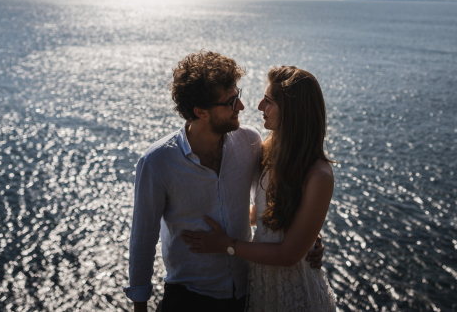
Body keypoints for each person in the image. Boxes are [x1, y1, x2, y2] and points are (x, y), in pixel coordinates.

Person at [124, 52, 323, 312]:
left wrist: (308, 234)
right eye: (231, 102)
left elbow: (272, 200)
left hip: (248, 294)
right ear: (200, 111)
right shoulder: (157, 162)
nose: (241, 107)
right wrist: (140, 307)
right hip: (188, 298)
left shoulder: (249, 143)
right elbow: (142, 241)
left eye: (237, 96)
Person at [182, 66, 337, 311]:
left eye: (269, 101)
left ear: (293, 111)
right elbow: (265, 212)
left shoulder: (319, 175)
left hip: (297, 295)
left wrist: (226, 244)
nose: (259, 106)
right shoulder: (266, 150)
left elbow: (288, 255)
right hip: (261, 288)